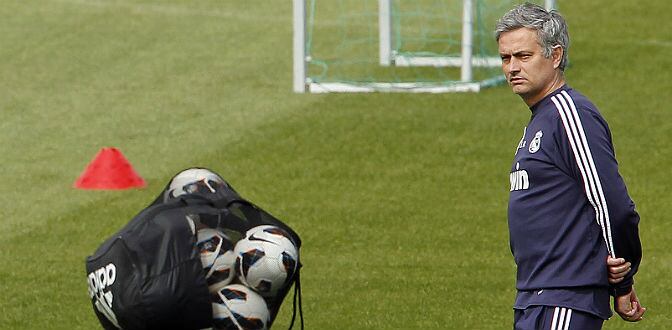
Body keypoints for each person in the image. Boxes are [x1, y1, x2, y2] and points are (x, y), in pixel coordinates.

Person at [495, 3, 645, 329]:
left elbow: (612, 204)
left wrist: (623, 276)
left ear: (556, 55)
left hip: (564, 296)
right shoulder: (541, 120)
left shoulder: (569, 114)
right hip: (536, 295)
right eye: (506, 58)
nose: (512, 68)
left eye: (523, 56)